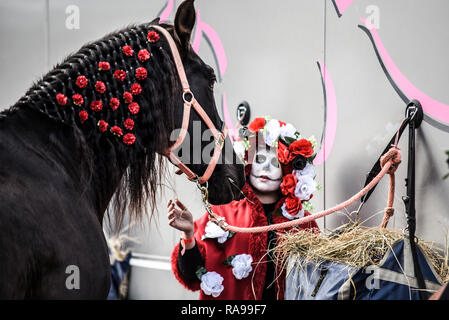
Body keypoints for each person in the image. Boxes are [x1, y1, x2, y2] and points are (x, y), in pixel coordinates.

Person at [168, 116, 319, 300]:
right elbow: (191, 276)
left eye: (275, 163)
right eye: (260, 158)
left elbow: (318, 280)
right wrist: (188, 235)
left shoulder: (303, 223)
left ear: (287, 172)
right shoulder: (222, 213)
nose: (265, 167)